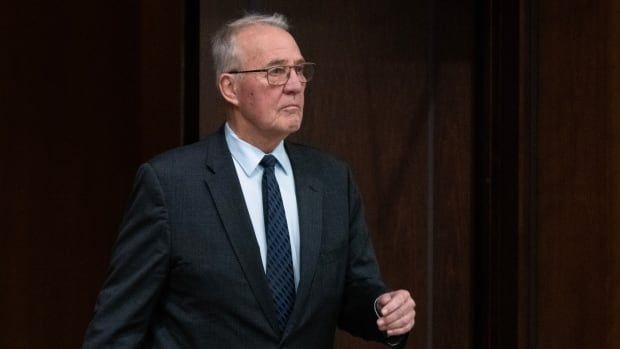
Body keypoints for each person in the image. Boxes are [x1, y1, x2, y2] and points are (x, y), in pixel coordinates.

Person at [82, 12, 415, 348]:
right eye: (276, 71)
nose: (296, 85)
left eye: (300, 70)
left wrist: (383, 309)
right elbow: (117, 327)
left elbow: (353, 289)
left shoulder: (331, 179)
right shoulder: (170, 185)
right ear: (230, 87)